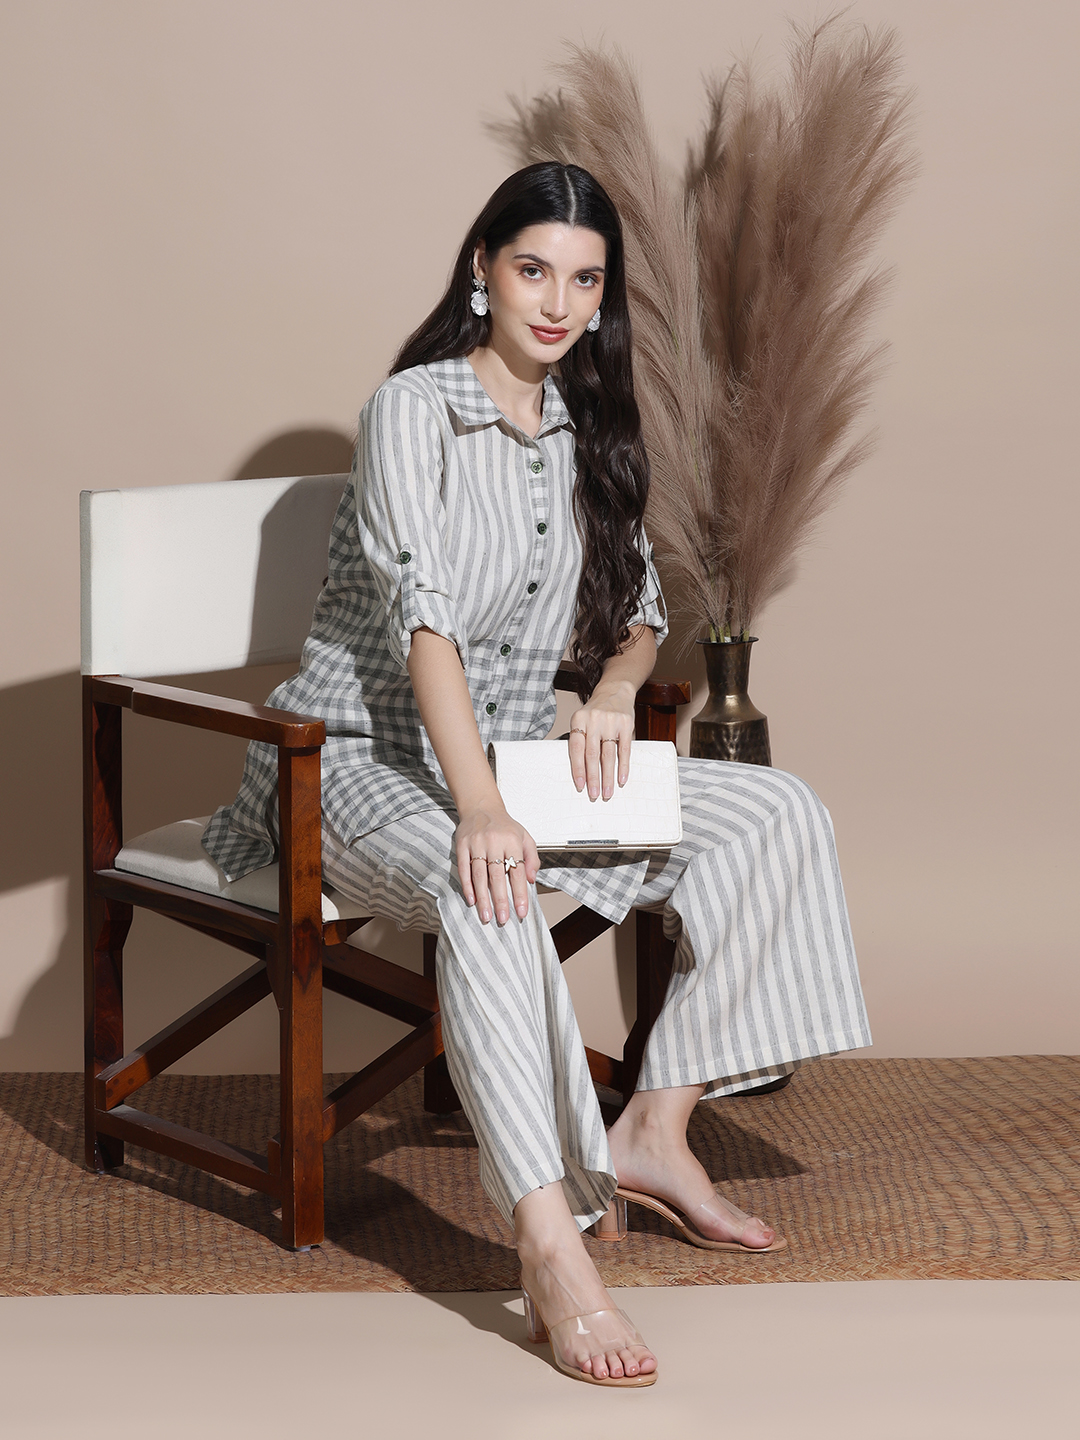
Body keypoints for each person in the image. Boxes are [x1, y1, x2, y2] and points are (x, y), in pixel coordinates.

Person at [203, 162, 871, 1387]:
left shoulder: (588, 431)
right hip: (352, 763)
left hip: (509, 761)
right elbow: (426, 624)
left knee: (774, 811)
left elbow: (643, 611)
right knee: (494, 888)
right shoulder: (411, 410)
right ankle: (552, 1247)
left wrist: (612, 692)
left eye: (585, 280)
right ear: (482, 268)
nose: (558, 303)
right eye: (532, 270)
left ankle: (655, 1127)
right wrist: (481, 811)